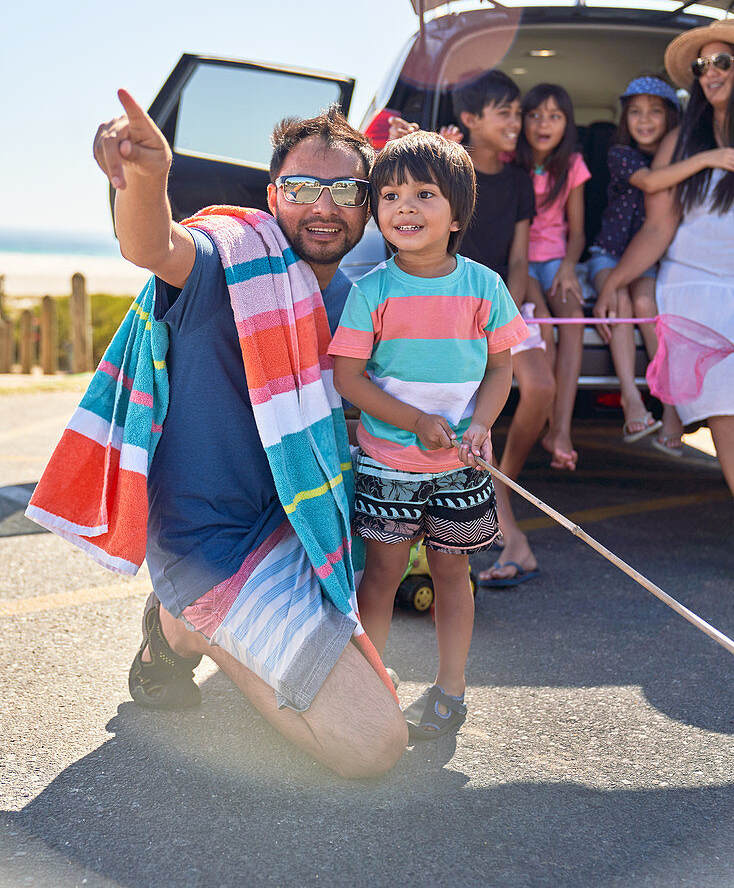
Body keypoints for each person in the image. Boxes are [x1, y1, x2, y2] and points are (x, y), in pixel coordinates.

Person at [34, 92, 408, 780]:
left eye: (345, 190)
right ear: (273, 196)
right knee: (373, 745)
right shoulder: (232, 263)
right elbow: (153, 244)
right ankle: (195, 617)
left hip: (298, 525)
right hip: (211, 543)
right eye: (301, 187)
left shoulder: (356, 297)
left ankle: (177, 628)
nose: (322, 205)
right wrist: (146, 179)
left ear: (367, 204)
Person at [328, 131, 528, 738]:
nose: (404, 207)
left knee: (452, 575)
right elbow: (347, 378)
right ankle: (371, 687)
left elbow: (500, 370)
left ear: (458, 212)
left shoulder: (485, 287)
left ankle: (451, 691)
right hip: (389, 464)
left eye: (423, 194)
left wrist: (481, 427)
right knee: (383, 576)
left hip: (463, 468)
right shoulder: (372, 291)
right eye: (388, 195)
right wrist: (415, 422)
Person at [384, 70, 551, 587]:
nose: (517, 123)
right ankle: (509, 531)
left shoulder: (520, 181)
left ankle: (502, 488)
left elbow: (520, 258)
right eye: (506, 112)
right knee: (476, 413)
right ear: (472, 120)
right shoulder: (446, 172)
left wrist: (512, 304)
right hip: (449, 314)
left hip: (498, 302)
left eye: (518, 113)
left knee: (539, 387)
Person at [595, 20, 734, 496]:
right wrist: (613, 284)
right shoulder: (685, 141)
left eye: (722, 62)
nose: (710, 72)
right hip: (691, 294)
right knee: (727, 422)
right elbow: (658, 226)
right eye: (701, 66)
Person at [587, 76, 697, 452]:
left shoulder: (679, 156)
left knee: (647, 306)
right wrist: (707, 158)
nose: (644, 120)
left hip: (647, 261)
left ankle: (670, 406)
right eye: (635, 112)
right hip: (609, 254)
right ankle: (630, 398)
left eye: (654, 111)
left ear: (671, 118)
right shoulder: (621, 154)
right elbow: (650, 182)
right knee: (618, 304)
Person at [514, 84, 591, 471]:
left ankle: (561, 428)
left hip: (556, 260)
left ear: (567, 124)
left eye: (555, 116)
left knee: (573, 319)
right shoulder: (511, 160)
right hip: (518, 261)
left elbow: (577, 231)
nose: (544, 124)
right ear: (521, 120)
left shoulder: (572, 164)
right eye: (535, 115)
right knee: (542, 323)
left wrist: (567, 267)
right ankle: (547, 423)